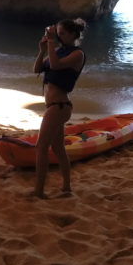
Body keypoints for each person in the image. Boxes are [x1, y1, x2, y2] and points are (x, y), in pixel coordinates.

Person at [32, 19, 88, 199]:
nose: (59, 36)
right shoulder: (57, 51)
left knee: (41, 147)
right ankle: (66, 188)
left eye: (62, 33)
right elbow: (37, 68)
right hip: (55, 107)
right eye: (58, 33)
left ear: (73, 35)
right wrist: (42, 50)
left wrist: (50, 43)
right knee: (57, 148)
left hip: (60, 106)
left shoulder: (77, 54)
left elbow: (55, 65)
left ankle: (39, 191)